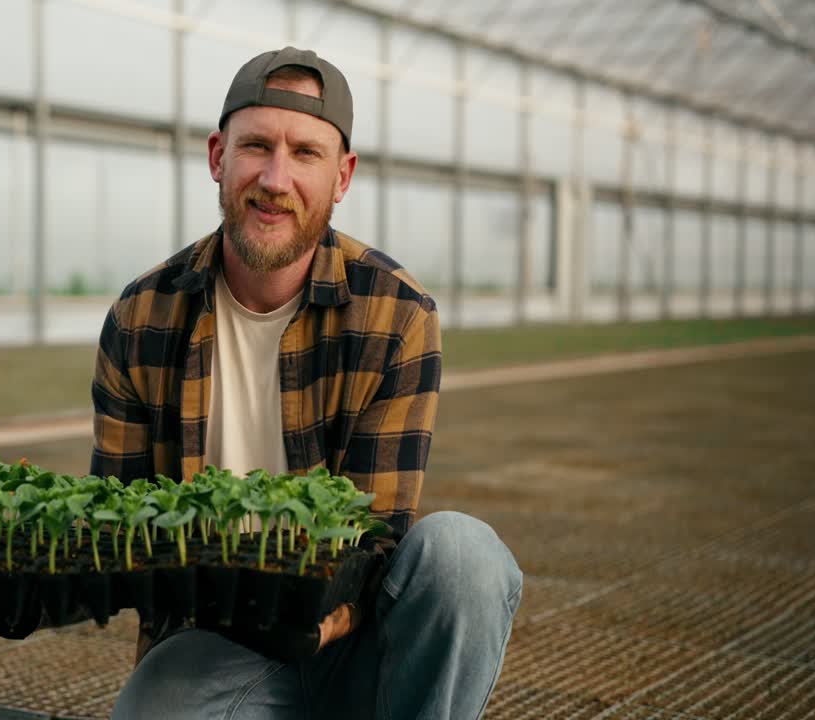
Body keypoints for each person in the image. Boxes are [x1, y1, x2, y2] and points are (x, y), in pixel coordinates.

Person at [91, 47, 522, 720]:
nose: (275, 176)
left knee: (464, 557)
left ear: (343, 175)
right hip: (217, 641)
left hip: (357, 638)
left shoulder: (395, 314)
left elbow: (376, 533)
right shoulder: (142, 316)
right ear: (217, 157)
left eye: (306, 153)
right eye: (256, 146)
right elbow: (113, 523)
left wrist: (308, 620)